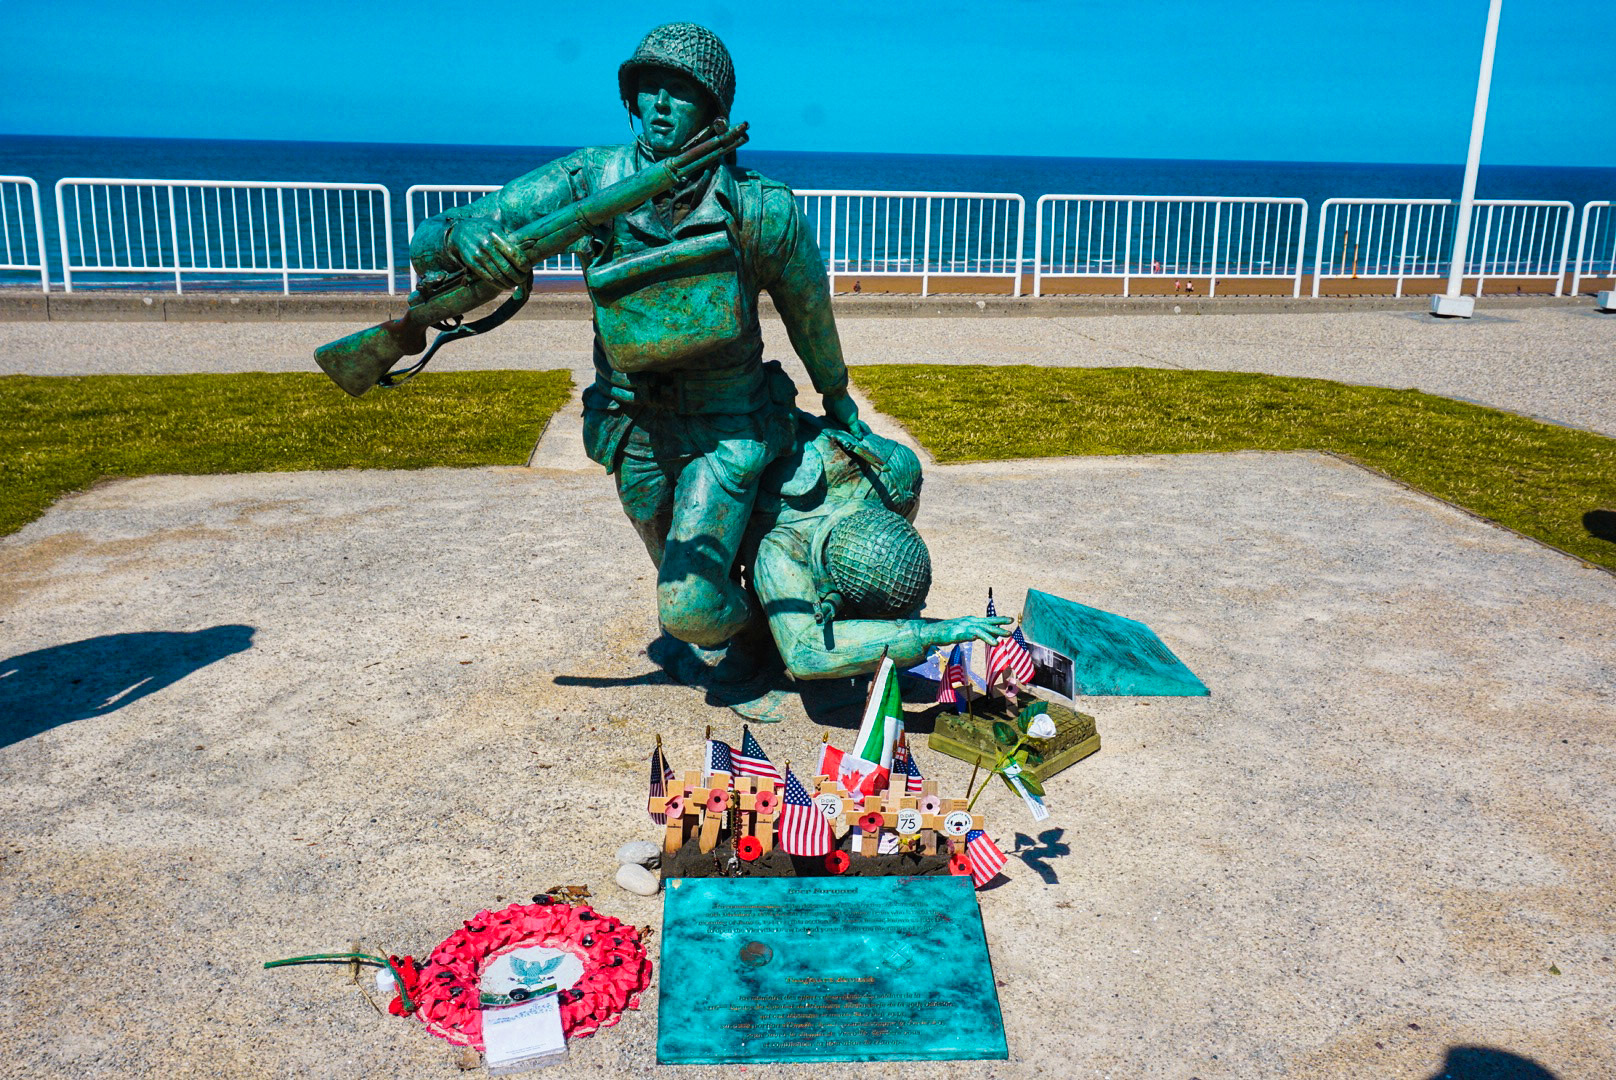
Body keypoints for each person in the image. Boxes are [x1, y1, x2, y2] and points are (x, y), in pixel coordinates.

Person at [408, 24, 864, 650]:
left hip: (727, 424)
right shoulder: (593, 180)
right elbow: (443, 232)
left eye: (680, 91)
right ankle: (742, 640)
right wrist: (463, 240)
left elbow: (809, 310)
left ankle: (753, 638)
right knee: (679, 577)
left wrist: (836, 396)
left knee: (688, 606)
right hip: (631, 426)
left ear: (714, 109)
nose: (660, 105)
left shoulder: (761, 208)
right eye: (649, 89)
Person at [727, 413, 1012, 680]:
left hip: (797, 439)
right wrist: (925, 633)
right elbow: (804, 652)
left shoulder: (893, 479)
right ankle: (751, 639)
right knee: (706, 609)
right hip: (735, 445)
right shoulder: (778, 554)